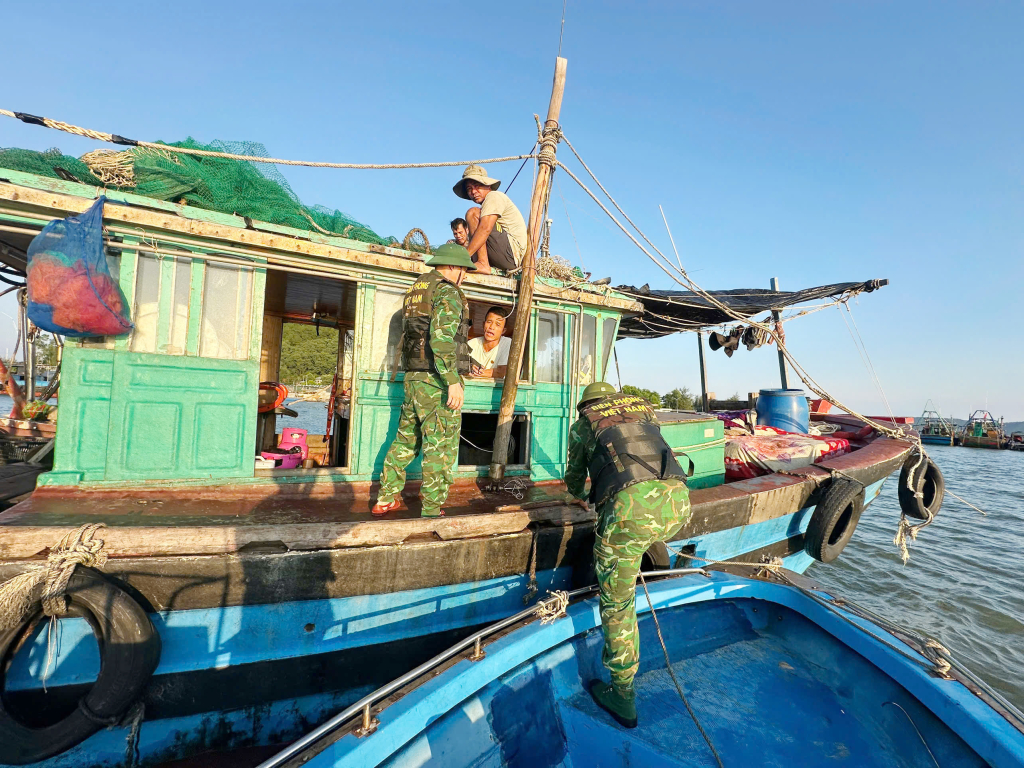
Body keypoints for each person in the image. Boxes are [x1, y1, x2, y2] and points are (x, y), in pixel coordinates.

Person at [563, 382, 692, 729]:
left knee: (618, 604)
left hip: (629, 514)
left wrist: (579, 494)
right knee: (637, 541)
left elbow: (574, 478)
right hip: (678, 505)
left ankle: (622, 695)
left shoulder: (583, 424)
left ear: (586, 406)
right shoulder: (644, 409)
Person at [371, 243, 476, 519]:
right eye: (464, 270)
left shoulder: (416, 290)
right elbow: (441, 340)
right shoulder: (447, 291)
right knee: (438, 445)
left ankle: (385, 498)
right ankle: (431, 508)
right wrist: (452, 380)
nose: (463, 276)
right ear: (453, 266)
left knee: (405, 440)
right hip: (436, 381)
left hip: (414, 378)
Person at [453, 165, 528, 275]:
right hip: (503, 254)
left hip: (511, 254)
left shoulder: (493, 196)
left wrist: (464, 257)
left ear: (487, 186)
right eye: (469, 189)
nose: (473, 192)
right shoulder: (486, 205)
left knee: (473, 213)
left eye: (477, 186)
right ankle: (479, 261)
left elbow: (485, 229)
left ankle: (482, 263)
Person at [468, 306, 511, 379]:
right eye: (489, 322)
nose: (491, 327)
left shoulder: (507, 343)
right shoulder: (472, 344)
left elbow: (501, 372)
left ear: (503, 331)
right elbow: (460, 366)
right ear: (483, 324)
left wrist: (473, 371)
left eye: (497, 324)